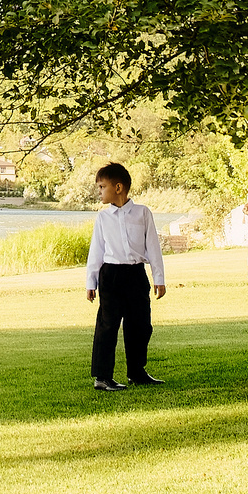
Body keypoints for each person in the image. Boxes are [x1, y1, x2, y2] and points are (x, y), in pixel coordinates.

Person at [83, 161, 165, 391]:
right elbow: (96, 251)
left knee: (140, 325)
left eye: (102, 187)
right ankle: (103, 377)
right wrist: (91, 282)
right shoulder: (103, 218)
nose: (99, 191)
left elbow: (153, 247)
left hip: (136, 275)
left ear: (118, 188)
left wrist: (159, 278)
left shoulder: (142, 213)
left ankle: (137, 372)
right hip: (110, 275)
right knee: (107, 326)